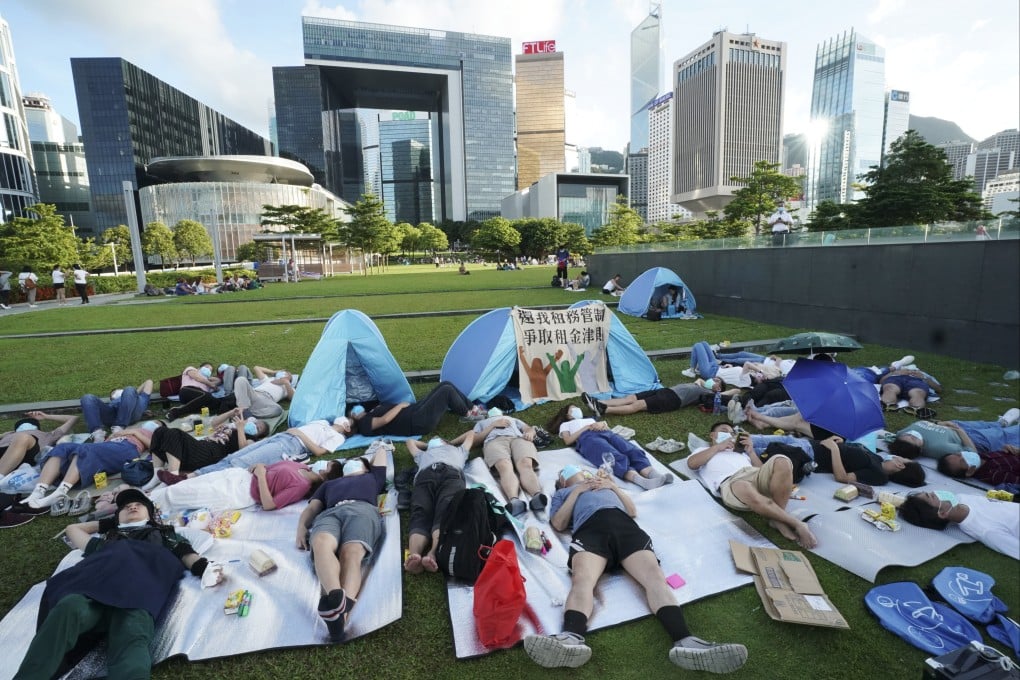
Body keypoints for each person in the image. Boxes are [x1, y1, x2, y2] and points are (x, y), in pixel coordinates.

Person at [523, 465, 748, 672]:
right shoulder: (563, 493)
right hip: (591, 530)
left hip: (625, 527)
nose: (577, 472)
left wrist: (613, 487)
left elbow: (631, 511)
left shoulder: (607, 485)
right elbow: (559, 523)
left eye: (580, 470)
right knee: (583, 580)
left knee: (654, 578)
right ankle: (570, 638)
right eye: (567, 471)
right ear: (562, 481)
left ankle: (686, 641)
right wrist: (576, 491)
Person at [12, 488, 222, 680]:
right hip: (92, 594)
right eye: (125, 507)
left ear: (150, 515)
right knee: (67, 608)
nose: (132, 506)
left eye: (138, 505)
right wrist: (108, 523)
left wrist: (204, 568)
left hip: (137, 597)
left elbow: (186, 555)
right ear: (117, 517)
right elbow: (72, 528)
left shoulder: (164, 535)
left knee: (131, 644)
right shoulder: (107, 541)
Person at [296, 439, 389, 641]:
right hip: (331, 513)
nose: (351, 462)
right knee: (320, 542)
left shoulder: (373, 477)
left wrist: (375, 449)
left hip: (361, 509)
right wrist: (301, 527)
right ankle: (336, 597)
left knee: (351, 552)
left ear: (366, 467)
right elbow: (312, 508)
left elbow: (381, 453)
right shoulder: (329, 484)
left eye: (357, 461)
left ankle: (339, 618)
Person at [686, 423, 817, 548]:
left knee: (782, 460)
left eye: (732, 433)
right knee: (743, 485)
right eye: (724, 431)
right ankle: (797, 524)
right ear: (713, 435)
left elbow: (763, 470)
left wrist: (751, 452)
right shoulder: (704, 450)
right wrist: (718, 447)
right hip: (731, 481)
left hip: (754, 474)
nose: (730, 434)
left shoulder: (740, 452)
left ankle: (777, 518)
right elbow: (692, 463)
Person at [158, 417, 350, 484]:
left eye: (347, 421)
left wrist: (298, 432)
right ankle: (188, 477)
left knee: (237, 464)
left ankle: (187, 480)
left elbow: (318, 451)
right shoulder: (323, 422)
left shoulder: (339, 437)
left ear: (348, 428)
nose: (343, 420)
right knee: (231, 457)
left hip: (290, 445)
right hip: (279, 437)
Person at [24, 422, 160, 510]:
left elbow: (154, 446)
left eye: (157, 423)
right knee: (63, 448)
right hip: (106, 446)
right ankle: (39, 491)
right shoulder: (129, 429)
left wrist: (135, 433)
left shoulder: (151, 433)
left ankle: (61, 492)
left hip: (127, 449)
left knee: (86, 450)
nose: (151, 423)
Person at [547, 405, 672, 489]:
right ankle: (643, 482)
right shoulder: (565, 424)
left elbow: (604, 427)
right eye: (573, 409)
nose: (577, 409)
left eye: (577, 407)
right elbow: (568, 440)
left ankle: (655, 476)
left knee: (631, 450)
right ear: (567, 414)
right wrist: (587, 427)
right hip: (587, 439)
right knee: (612, 456)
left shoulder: (589, 418)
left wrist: (603, 425)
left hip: (606, 433)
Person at [404, 431, 475, 574]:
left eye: (439, 439)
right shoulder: (422, 455)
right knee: (420, 511)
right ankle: (414, 555)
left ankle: (433, 553)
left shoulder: (459, 450)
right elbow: (409, 441)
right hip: (425, 476)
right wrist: (428, 445)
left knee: (445, 510)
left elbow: (471, 434)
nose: (436, 440)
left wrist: (450, 442)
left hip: (451, 474)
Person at [151, 456, 329, 513]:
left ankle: (147, 506)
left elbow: (269, 505)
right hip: (239, 475)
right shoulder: (303, 466)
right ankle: (149, 498)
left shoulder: (301, 486)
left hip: (240, 492)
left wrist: (260, 477)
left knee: (180, 496)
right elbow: (270, 468)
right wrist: (259, 467)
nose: (324, 463)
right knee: (184, 487)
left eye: (327, 466)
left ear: (324, 477)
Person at [149, 409, 269, 477]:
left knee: (175, 433)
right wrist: (231, 413)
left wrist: (241, 429)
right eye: (256, 423)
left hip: (209, 454)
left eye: (258, 428)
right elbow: (214, 424)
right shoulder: (233, 428)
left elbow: (243, 450)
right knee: (160, 431)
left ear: (259, 435)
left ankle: (173, 476)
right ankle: (156, 473)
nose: (254, 426)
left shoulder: (250, 439)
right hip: (201, 446)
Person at [899, 491, 1018, 560]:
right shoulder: (986, 530)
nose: (936, 492)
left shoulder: (962, 498)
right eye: (932, 496)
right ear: (942, 513)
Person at [472, 408, 547, 515]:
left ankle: (537, 496)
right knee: (504, 466)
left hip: (518, 438)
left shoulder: (512, 419)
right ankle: (514, 501)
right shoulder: (481, 423)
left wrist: (530, 433)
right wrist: (493, 425)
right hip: (494, 441)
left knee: (525, 464)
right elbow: (475, 440)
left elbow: (528, 428)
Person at [350, 381, 472, 437]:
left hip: (415, 411)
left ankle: (473, 408)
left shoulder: (368, 413)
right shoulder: (363, 424)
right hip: (416, 422)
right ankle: (468, 415)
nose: (356, 410)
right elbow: (385, 420)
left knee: (445, 384)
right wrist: (400, 406)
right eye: (353, 413)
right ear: (354, 420)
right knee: (446, 391)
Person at [890, 412, 1020, 460]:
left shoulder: (901, 436)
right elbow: (973, 453)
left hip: (954, 425)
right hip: (972, 438)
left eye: (908, 435)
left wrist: (940, 423)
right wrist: (961, 432)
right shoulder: (939, 448)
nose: (912, 434)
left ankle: (1001, 423)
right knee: (1004, 435)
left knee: (985, 424)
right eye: (914, 439)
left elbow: (925, 424)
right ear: (921, 449)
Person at [0, 412, 78, 479]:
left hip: (28, 453)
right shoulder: (9, 434)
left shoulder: (48, 435)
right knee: (21, 437)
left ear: (37, 429)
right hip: (3, 451)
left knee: (23, 437)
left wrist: (46, 416)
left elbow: (74, 419)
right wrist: (5, 434)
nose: (25, 426)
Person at [80, 380, 154, 442]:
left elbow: (149, 381)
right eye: (113, 394)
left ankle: (119, 429)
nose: (116, 393)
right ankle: (98, 434)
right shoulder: (112, 403)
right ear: (111, 399)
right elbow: (148, 382)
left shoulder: (142, 398)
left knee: (129, 389)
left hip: (132, 412)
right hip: (113, 416)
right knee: (87, 398)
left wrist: (135, 394)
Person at [582, 383, 712, 418]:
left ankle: (605, 410)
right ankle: (597, 403)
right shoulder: (699, 384)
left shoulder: (709, 393)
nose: (715, 381)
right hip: (665, 390)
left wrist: (718, 390)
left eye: (718, 383)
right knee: (630, 398)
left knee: (638, 404)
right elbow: (700, 380)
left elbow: (730, 393)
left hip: (673, 399)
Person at [937, 446, 1020, 486]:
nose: (963, 455)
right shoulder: (993, 475)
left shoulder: (982, 457)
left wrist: (1013, 450)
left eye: (958, 454)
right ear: (969, 472)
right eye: (963, 461)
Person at [878, 368, 942, 413]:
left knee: (918, 393)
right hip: (896, 379)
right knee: (890, 388)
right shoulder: (897, 370)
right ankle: (887, 405)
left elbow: (938, 389)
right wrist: (895, 373)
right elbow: (881, 381)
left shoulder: (922, 373)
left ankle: (915, 409)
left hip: (916, 381)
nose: (910, 370)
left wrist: (923, 377)